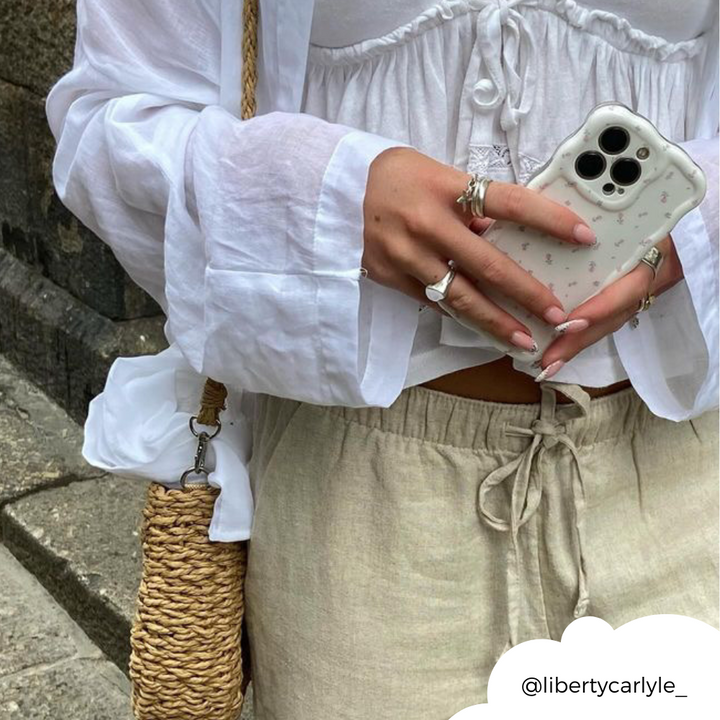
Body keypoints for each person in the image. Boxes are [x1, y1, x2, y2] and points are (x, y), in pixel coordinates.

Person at [46, 1, 719, 718]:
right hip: (363, 508)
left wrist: (699, 217)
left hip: (677, 480)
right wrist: (332, 193)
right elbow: (109, 118)